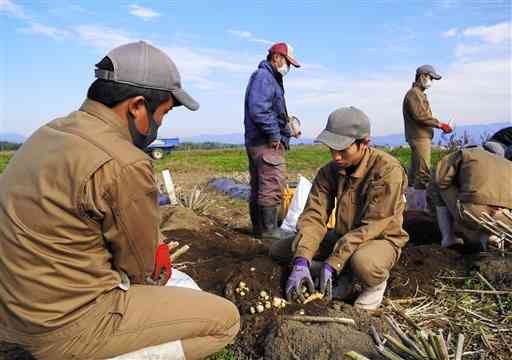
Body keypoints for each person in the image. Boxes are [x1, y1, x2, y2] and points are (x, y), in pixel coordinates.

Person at [0, 41, 239, 360]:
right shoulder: (123, 161)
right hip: (61, 327)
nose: (160, 125)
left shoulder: (48, 133)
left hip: (13, 311)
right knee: (224, 321)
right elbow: (142, 270)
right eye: (163, 113)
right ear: (138, 106)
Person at [270, 107, 409, 310]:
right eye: (331, 149)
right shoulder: (329, 172)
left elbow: (372, 227)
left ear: (364, 144)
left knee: (364, 263)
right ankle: (327, 269)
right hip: (342, 236)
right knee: (281, 250)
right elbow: (313, 217)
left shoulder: (387, 171)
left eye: (343, 150)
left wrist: (333, 262)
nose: (336, 156)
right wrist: (302, 260)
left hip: (379, 239)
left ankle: (373, 284)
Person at [244, 42, 300, 239]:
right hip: (265, 143)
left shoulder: (269, 78)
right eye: (288, 63)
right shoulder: (265, 77)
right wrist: (275, 134)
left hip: (258, 141)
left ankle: (260, 228)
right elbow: (259, 109)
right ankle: (269, 230)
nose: (289, 68)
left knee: (259, 185)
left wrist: (287, 127)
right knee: (272, 183)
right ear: (277, 57)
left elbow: (269, 110)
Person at [433, 145, 512, 250]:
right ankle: (491, 238)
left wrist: (460, 191)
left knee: (438, 183)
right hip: (505, 218)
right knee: (485, 221)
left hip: (474, 213)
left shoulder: (466, 153)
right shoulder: (507, 163)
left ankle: (448, 238)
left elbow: (442, 180)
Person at [402, 65, 453, 211]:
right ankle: (420, 207)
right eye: (430, 77)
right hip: (419, 137)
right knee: (423, 173)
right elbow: (420, 116)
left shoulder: (418, 94)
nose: (431, 81)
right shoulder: (414, 94)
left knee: (414, 173)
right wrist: (440, 125)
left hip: (418, 137)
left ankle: (410, 206)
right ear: (422, 76)